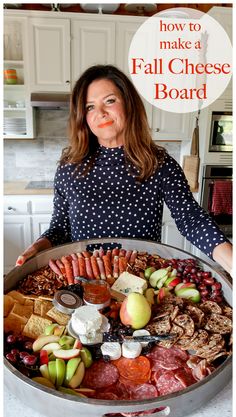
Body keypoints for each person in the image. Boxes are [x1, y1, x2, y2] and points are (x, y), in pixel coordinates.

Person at [15, 64, 232, 275]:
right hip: (85, 285)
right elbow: (60, 228)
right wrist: (37, 247)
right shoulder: (69, 168)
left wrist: (231, 262)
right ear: (83, 117)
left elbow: (192, 220)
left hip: (142, 286)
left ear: (129, 105)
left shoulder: (159, 164)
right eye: (89, 106)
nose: (100, 112)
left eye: (109, 101)